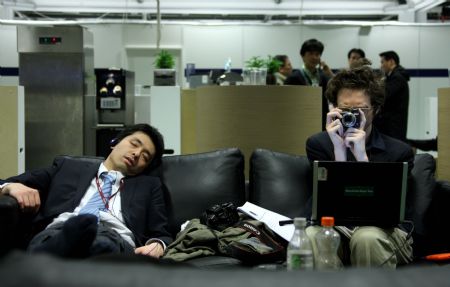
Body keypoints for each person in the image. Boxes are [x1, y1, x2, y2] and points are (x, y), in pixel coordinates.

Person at [0, 123, 172, 259]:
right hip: (59, 229)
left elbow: (161, 232)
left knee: (104, 242)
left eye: (145, 156)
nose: (136, 153)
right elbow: (6, 182)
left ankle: (54, 252)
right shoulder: (66, 167)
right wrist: (10, 186)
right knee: (70, 236)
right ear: (115, 143)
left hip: (114, 235)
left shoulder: (149, 185)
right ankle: (72, 239)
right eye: (134, 144)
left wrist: (158, 244)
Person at [305, 66, 414, 268]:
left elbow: (384, 212)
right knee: (313, 235)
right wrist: (338, 151)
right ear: (333, 108)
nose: (351, 116)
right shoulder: (319, 144)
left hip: (384, 230)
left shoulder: (399, 152)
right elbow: (330, 203)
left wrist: (362, 158)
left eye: (360, 109)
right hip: (336, 225)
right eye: (345, 109)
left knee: (367, 237)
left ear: (377, 109)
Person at [285, 38, 333, 130]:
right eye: (310, 54)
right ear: (303, 56)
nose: (314, 57)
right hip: (299, 122)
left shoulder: (324, 77)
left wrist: (329, 74)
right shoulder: (293, 78)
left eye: (317, 54)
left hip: (322, 123)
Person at [375, 50, 410, 143]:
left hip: (393, 127)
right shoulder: (394, 77)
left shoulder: (397, 78)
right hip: (391, 126)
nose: (381, 66)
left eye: (382, 62)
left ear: (391, 61)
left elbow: (384, 95)